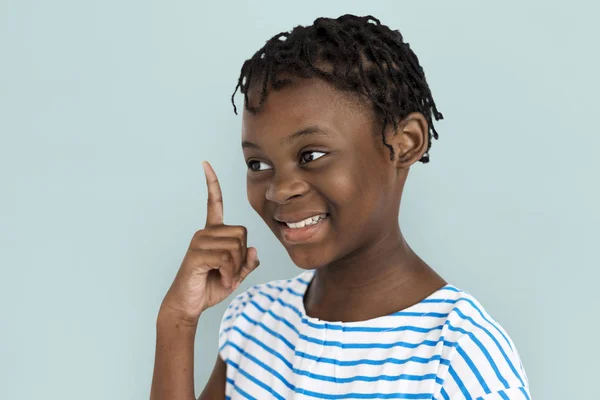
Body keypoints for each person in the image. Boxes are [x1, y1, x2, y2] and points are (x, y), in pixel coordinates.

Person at [150, 14, 531, 400]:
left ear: (406, 143)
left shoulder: (457, 355)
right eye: (258, 165)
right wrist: (177, 321)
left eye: (311, 154)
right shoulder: (254, 322)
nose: (280, 190)